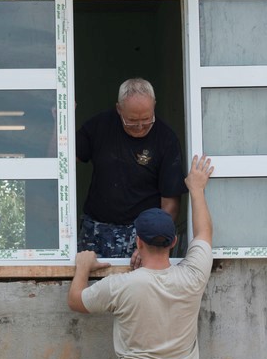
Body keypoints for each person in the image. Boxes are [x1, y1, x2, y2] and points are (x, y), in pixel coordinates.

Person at [67, 155, 214, 359]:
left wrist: (83, 266)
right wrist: (196, 188)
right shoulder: (193, 276)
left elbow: (76, 301)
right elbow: (204, 233)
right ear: (174, 242)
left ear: (138, 241)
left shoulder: (121, 286)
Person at [76, 78, 187, 262]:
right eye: (132, 121)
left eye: (146, 119)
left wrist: (151, 242)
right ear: (119, 109)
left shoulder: (166, 139)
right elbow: (61, 161)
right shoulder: (99, 126)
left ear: (154, 107)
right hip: (94, 229)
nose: (140, 126)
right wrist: (60, 121)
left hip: (141, 234)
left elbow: (171, 204)